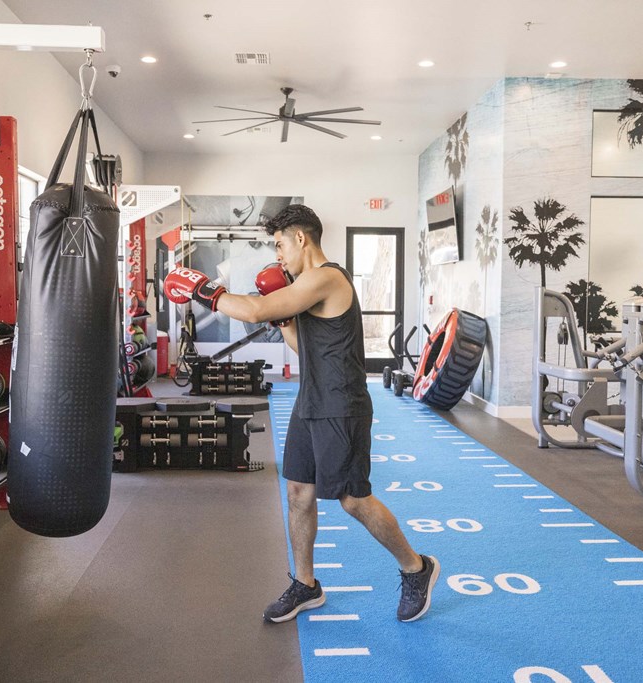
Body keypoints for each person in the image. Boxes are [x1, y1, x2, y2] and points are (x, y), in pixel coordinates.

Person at [163, 204, 440, 623]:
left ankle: (416, 568)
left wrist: (205, 291)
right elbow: (301, 347)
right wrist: (285, 321)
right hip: (310, 399)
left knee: (353, 500)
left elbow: (255, 310)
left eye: (279, 245)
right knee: (298, 492)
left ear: (300, 238)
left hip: (341, 406)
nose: (278, 255)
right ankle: (306, 584)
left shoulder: (326, 277)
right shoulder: (304, 287)